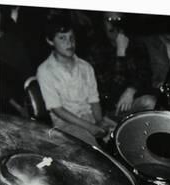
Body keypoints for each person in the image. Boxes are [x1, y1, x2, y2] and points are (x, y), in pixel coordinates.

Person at [36, 14, 110, 146]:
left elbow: (94, 99)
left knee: (122, 135)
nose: (69, 43)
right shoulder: (45, 70)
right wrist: (90, 127)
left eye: (71, 37)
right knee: (90, 146)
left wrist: (99, 122)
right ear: (50, 41)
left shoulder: (85, 66)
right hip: (66, 125)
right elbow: (57, 109)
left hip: (90, 119)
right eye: (62, 38)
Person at [85, 12, 156, 120]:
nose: (114, 24)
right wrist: (120, 54)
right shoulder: (96, 50)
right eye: (109, 19)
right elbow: (109, 92)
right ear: (102, 23)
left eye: (118, 19)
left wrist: (131, 89)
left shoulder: (136, 45)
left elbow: (146, 76)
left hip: (136, 100)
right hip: (112, 109)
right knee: (149, 102)